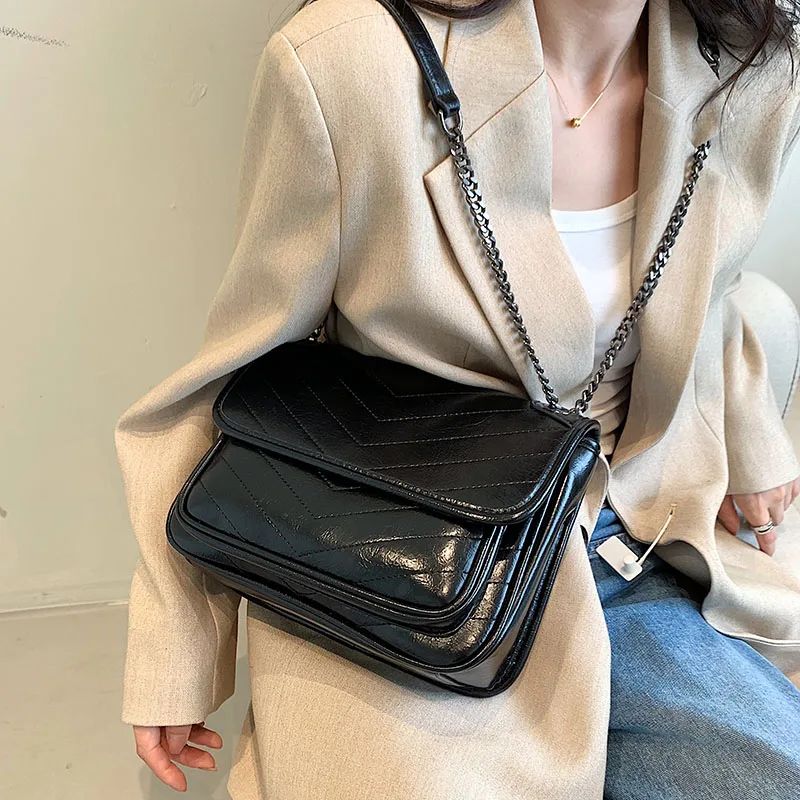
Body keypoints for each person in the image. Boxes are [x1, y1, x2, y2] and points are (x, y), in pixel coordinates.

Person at [115, 0, 800, 796]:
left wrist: (751, 437)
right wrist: (179, 640)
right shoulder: (348, 65)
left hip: (633, 526)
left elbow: (715, 284)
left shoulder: (753, 65)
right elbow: (244, 370)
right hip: (405, 549)